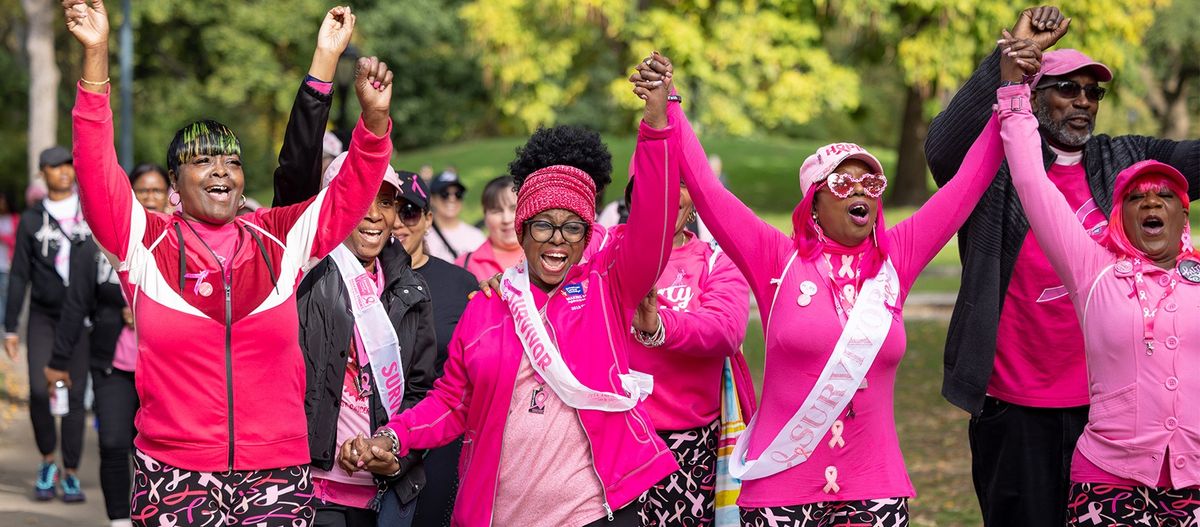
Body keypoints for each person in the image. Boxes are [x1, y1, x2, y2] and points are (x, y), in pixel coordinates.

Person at [629, 49, 1012, 522]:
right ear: (813, 201)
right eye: (843, 181)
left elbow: (967, 185)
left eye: (872, 183)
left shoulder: (898, 255)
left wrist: (1011, 92)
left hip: (874, 486)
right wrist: (668, 107)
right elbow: (707, 189)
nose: (861, 191)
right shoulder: (775, 256)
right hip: (781, 488)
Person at [64, 1, 393, 524]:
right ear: (174, 185)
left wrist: (373, 125)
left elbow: (349, 195)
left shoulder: (278, 239)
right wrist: (97, 56)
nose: (222, 172)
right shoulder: (144, 242)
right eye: (203, 161)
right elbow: (97, 167)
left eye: (233, 162)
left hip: (277, 472)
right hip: (174, 471)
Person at [343, 55, 683, 526]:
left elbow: (653, 222)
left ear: (587, 237)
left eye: (573, 228)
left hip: (595, 512)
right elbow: (451, 402)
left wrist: (656, 122)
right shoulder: (487, 306)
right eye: (543, 225)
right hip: (500, 513)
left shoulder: (608, 288)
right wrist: (395, 436)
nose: (558, 238)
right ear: (521, 232)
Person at [925, 7, 1200, 525]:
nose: (1083, 102)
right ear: (1032, 92)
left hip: (1116, 415)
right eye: (1067, 89)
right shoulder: (999, 166)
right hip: (1016, 403)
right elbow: (942, 150)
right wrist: (1007, 61)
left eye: (1093, 93)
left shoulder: (1125, 160)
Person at [997, 67, 1200, 522]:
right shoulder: (1094, 271)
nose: (1150, 203)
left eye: (1164, 195)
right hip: (1106, 480)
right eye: (1136, 197)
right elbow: (1032, 182)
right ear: (1118, 217)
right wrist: (1013, 94)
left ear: (1182, 216)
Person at [296, 156, 436, 527]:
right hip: (311, 490)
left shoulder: (412, 289)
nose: (374, 214)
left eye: (387, 202)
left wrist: (395, 455)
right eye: (360, 198)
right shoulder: (304, 277)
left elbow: (424, 392)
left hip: (388, 495)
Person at [616, 175, 754, 526]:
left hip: (690, 446)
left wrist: (659, 325)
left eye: (678, 182)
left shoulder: (716, 262)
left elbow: (725, 330)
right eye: (655, 180)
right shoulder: (608, 252)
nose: (667, 192)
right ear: (634, 198)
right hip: (618, 438)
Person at [44, 163, 168, 526]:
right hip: (113, 364)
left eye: (156, 190)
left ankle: (155, 515)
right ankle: (119, 519)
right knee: (114, 442)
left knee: (158, 451)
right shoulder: (99, 242)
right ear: (128, 195)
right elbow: (75, 305)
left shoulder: (183, 240)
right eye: (141, 191)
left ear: (169, 193)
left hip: (166, 369)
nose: (149, 197)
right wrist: (59, 360)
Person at [388, 171, 478, 527]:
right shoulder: (361, 280)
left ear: (428, 219)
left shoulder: (462, 284)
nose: (397, 222)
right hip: (372, 440)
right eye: (389, 209)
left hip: (440, 443)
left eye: (409, 212)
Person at [4, 144, 91, 503]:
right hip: (42, 315)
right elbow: (19, 274)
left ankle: (70, 472)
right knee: (41, 391)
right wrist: (10, 327)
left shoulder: (89, 213)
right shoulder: (30, 219)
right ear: (43, 173)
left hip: (82, 317)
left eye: (69, 165)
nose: (64, 172)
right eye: (56, 167)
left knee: (73, 395)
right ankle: (47, 461)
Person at [456, 175, 522, 281]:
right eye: (497, 211)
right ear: (485, 216)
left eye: (514, 208)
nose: (506, 219)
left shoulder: (545, 257)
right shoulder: (464, 265)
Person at [424, 170, 484, 262]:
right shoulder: (422, 236)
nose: (452, 198)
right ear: (432, 198)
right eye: (445, 194)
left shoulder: (477, 236)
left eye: (458, 194)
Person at [0, 191, 17, 323]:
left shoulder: (15, 219)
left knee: (6, 294)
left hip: (7, 264)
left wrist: (2, 237)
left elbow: (16, 241)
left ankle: (7, 323)